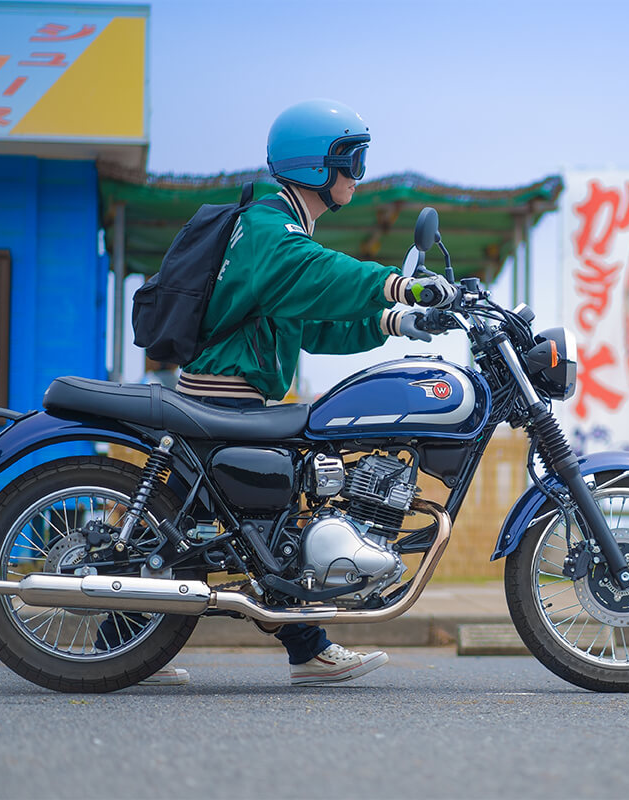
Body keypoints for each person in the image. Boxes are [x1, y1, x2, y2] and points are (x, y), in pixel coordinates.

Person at [143, 98, 457, 687]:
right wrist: (398, 285)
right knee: (254, 530)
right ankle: (304, 648)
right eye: (351, 160)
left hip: (230, 396)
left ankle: (294, 647)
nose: (356, 174)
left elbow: (307, 322)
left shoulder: (278, 227)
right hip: (222, 399)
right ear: (316, 165)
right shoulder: (270, 227)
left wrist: (395, 321)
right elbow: (315, 273)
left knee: (232, 529)